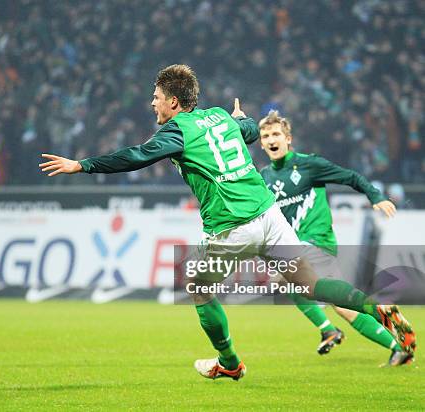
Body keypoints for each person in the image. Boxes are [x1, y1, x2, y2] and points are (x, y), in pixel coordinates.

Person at [39, 64, 416, 380]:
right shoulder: (219, 116)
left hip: (234, 228)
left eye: (156, 96)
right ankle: (374, 306)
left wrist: (83, 164)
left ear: (173, 101)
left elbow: (138, 155)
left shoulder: (176, 131)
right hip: (271, 217)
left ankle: (230, 363)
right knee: (313, 285)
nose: (152, 102)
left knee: (198, 287)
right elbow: (250, 130)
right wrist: (240, 119)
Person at [258, 110, 413, 366]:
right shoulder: (264, 177)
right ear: (262, 143)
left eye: (276, 134)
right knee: (341, 307)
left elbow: (350, 177)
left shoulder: (309, 164)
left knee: (283, 276)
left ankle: (341, 324)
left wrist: (375, 197)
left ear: (288, 138)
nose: (271, 139)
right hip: (298, 245)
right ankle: (398, 348)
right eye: (266, 135)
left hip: (316, 241)